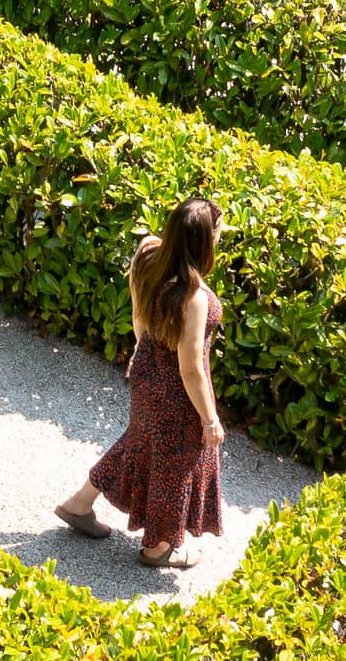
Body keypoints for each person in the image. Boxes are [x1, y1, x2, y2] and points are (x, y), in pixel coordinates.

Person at [56, 197, 225, 569]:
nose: (219, 238)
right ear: (203, 241)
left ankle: (79, 504)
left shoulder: (148, 252)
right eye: (217, 233)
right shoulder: (194, 297)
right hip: (175, 387)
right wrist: (210, 419)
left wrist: (141, 350)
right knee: (175, 462)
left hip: (145, 368)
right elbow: (191, 367)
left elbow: (138, 312)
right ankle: (159, 547)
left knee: (141, 441)